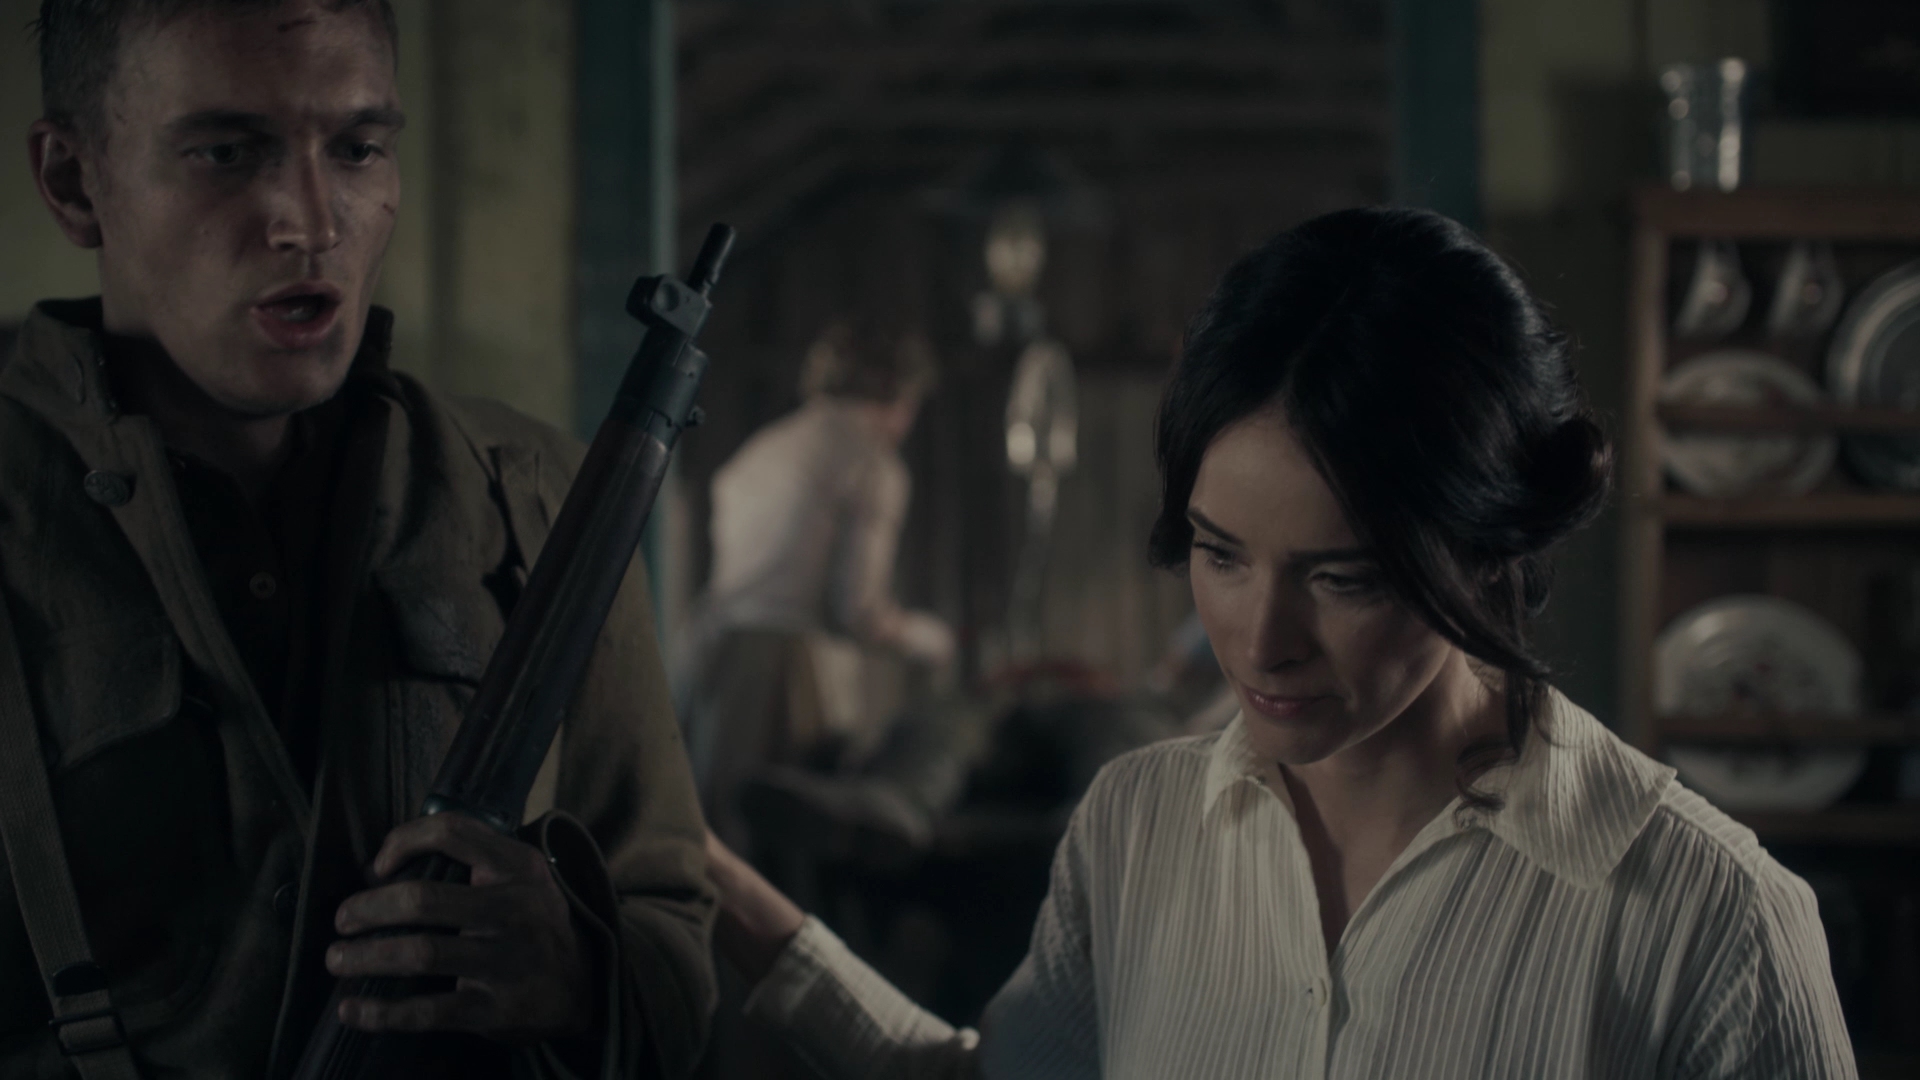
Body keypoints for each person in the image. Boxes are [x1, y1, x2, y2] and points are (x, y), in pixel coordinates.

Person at [700, 207, 1857, 1078]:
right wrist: (716, 881)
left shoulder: (1713, 921)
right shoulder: (1135, 827)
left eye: (1341, 576)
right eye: (1220, 555)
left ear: (1489, 546)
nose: (1262, 642)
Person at [1, 2, 712, 1077]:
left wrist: (580, 975)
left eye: (358, 148)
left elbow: (676, 948)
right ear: (72, 180)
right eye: (225, 152)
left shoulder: (535, 500)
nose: (312, 223)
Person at [680, 318, 954, 851]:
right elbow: (857, 611)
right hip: (784, 675)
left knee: (714, 837)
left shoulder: (764, 448)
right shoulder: (869, 461)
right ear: (900, 396)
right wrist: (928, 639)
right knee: (783, 850)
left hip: (711, 658)